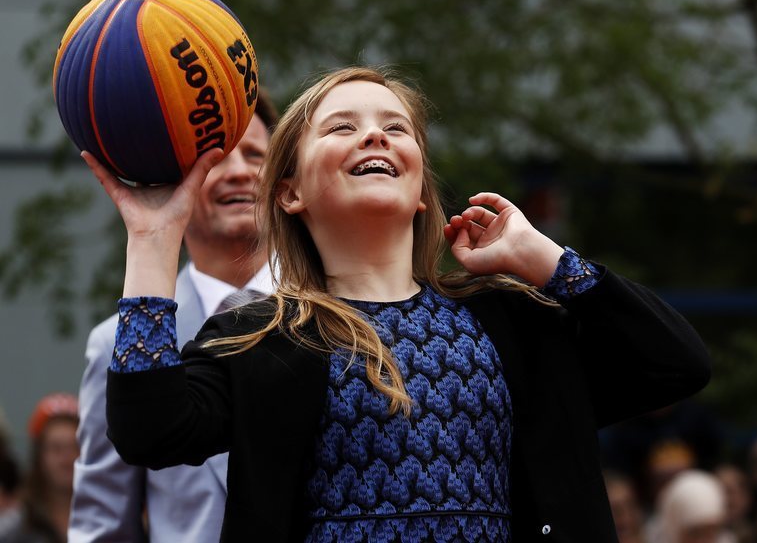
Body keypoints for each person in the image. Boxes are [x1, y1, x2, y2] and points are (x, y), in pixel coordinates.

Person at [85, 66, 711, 542]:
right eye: (341, 127)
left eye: (396, 127)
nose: (374, 135)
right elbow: (149, 431)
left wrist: (546, 261)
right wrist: (152, 238)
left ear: (418, 188)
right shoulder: (258, 337)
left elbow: (675, 364)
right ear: (289, 193)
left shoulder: (510, 320)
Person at [68, 92, 279, 543]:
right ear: (175, 177)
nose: (239, 171)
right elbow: (103, 528)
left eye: (256, 155)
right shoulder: (117, 344)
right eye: (217, 159)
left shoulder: (338, 316)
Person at [2, 394, 80, 543]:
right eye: (56, 448)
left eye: (75, 447)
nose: (67, 458)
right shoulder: (15, 528)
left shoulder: (106, 518)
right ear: (40, 456)